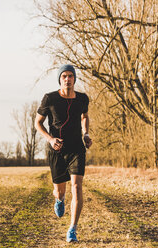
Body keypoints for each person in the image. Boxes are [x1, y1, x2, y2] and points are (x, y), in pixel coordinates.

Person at [34, 64, 92, 242]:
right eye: (64, 76)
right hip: (57, 150)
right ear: (60, 79)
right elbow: (38, 123)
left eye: (70, 76)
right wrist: (50, 139)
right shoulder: (49, 98)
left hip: (76, 148)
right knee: (60, 191)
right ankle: (59, 200)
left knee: (76, 186)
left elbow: (84, 116)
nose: (67, 79)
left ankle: (72, 229)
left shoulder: (82, 99)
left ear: (74, 79)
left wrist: (86, 133)